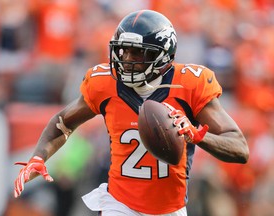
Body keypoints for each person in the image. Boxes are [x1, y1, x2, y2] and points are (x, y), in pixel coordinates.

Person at [13, 10, 249, 216]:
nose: (126, 60)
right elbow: (63, 121)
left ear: (162, 54)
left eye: (137, 53)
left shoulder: (190, 84)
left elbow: (239, 148)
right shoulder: (103, 82)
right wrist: (39, 157)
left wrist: (198, 136)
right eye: (123, 51)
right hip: (120, 204)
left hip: (171, 208)